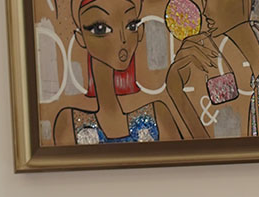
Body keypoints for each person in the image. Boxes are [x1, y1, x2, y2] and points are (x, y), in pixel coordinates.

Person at [53, 0, 182, 145]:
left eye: (131, 26)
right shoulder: (69, 123)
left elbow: (192, 152)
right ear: (80, 37)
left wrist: (178, 93)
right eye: (100, 29)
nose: (122, 39)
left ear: (140, 31)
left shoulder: (158, 114)